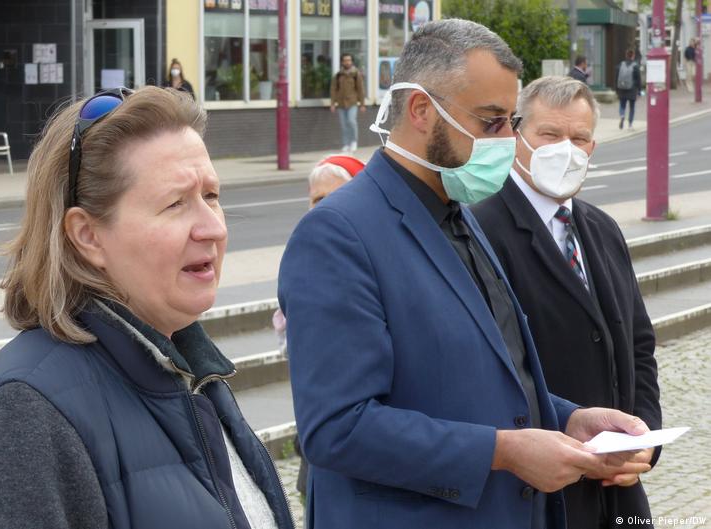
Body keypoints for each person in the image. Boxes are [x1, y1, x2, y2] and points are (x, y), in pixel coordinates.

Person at [279, 19, 652, 529]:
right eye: (490, 121)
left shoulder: (459, 211)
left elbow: (493, 374)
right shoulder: (338, 234)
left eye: (509, 120)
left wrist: (568, 418)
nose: (505, 139)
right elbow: (337, 428)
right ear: (420, 111)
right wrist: (504, 452)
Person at [0, 86, 294, 529]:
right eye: (176, 203)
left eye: (212, 196)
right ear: (88, 235)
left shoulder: (190, 375)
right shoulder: (22, 416)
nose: (213, 227)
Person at [471, 76, 662, 529]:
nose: (566, 149)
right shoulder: (479, 229)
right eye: (550, 135)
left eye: (578, 138)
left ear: (592, 147)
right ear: (517, 137)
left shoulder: (602, 228)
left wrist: (646, 442)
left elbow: (638, 346)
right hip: (536, 492)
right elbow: (488, 366)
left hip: (617, 496)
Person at [269, 155, 365, 500]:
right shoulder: (307, 253)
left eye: (333, 197)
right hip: (322, 439)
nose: (321, 209)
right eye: (315, 200)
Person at [330, 53, 366, 154]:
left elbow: (360, 89)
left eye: (349, 60)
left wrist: (362, 104)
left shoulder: (355, 74)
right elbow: (333, 89)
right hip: (341, 103)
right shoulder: (338, 75)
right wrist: (333, 103)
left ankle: (354, 142)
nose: (347, 62)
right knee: (344, 125)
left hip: (352, 102)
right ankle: (346, 144)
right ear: (342, 62)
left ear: (351, 62)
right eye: (345, 60)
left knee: (351, 121)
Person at [616, 49, 641, 130]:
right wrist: (639, 91)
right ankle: (630, 124)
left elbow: (616, 77)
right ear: (633, 56)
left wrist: (617, 89)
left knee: (622, 105)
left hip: (622, 89)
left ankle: (622, 115)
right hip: (632, 89)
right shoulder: (635, 66)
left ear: (626, 55)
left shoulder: (621, 64)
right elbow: (639, 79)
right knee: (632, 107)